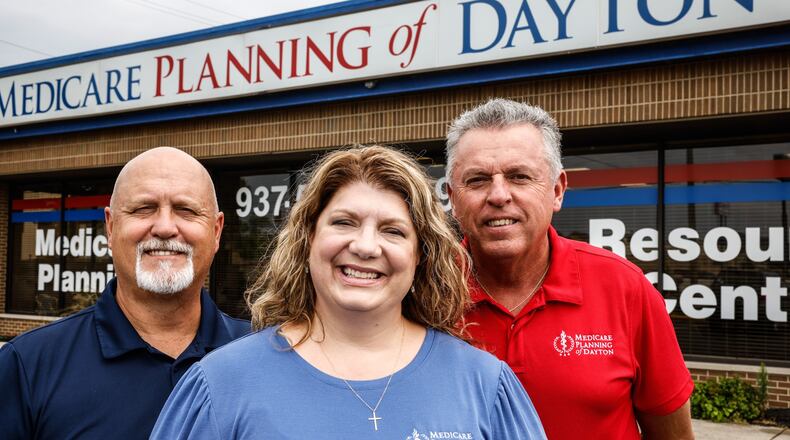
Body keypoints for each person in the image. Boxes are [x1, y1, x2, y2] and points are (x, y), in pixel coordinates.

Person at [150, 146, 546, 439]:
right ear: (308, 240)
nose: (366, 246)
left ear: (420, 256)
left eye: (392, 230)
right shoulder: (220, 384)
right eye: (344, 223)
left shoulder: (484, 385)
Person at [446, 99, 694, 439]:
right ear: (452, 198)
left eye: (519, 176)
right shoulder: (423, 293)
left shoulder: (624, 287)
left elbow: (672, 433)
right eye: (477, 180)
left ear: (557, 191)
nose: (499, 195)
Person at [0, 147, 249, 439]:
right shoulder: (28, 365)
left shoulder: (264, 358)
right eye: (144, 208)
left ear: (216, 231)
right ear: (111, 226)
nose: (166, 228)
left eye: (186, 210)